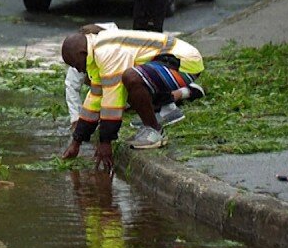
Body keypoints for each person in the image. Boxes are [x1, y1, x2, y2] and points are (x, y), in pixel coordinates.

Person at [60, 26, 206, 170]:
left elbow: (112, 101)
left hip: (183, 64)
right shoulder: (96, 54)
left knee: (131, 78)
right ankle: (163, 111)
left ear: (82, 52)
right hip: (166, 63)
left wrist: (106, 141)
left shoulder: (106, 52)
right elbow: (95, 99)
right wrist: (76, 141)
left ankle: (154, 131)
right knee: (129, 81)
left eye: (76, 64)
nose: (78, 70)